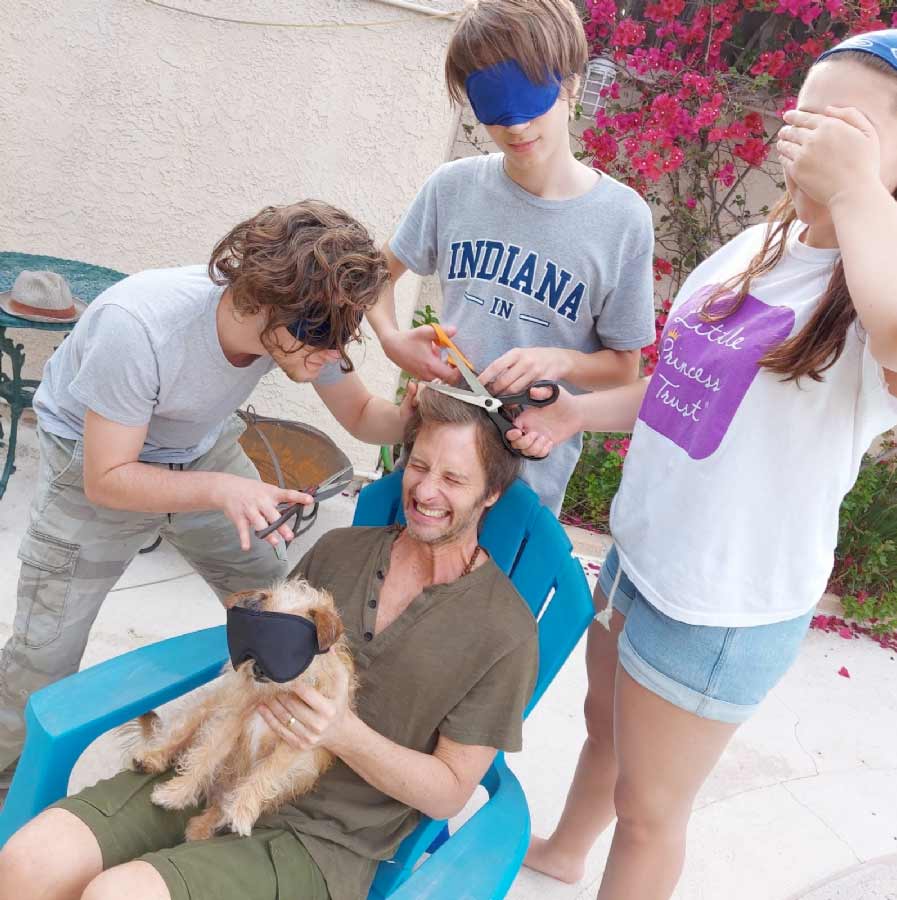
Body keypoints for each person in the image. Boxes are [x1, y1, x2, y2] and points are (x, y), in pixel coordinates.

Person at [509, 31, 897, 899]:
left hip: (720, 603)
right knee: (601, 729)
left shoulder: (869, 295)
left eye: (849, 129)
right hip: (643, 556)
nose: (809, 135)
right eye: (805, 108)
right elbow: (677, 389)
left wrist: (861, 192)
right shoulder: (761, 245)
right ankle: (565, 850)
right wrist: (574, 410)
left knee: (651, 813)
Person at [0, 388, 538, 900]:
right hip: (214, 768)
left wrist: (344, 734)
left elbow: (448, 791)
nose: (424, 492)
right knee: (28, 861)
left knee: (118, 895)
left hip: (319, 841)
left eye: (453, 479)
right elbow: (253, 660)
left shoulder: (503, 632)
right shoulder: (339, 552)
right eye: (418, 466)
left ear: (491, 492)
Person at [0, 200, 418, 802]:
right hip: (92, 464)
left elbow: (361, 414)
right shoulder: (139, 325)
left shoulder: (308, 329)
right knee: (44, 658)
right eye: (324, 335)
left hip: (199, 449)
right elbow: (108, 478)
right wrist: (222, 489)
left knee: (285, 622)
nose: (335, 351)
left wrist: (416, 409)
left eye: (343, 334)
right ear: (266, 301)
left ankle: (265, 754)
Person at [366, 0, 656, 515]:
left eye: (532, 101)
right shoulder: (453, 188)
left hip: (527, 478)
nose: (517, 127)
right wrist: (391, 340)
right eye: (496, 109)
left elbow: (622, 368)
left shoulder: (622, 219)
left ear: (570, 84)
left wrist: (560, 359)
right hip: (432, 463)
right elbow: (372, 279)